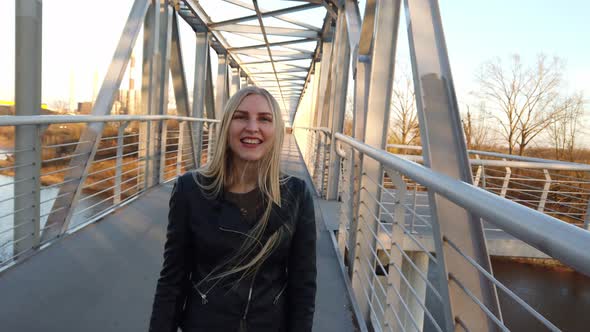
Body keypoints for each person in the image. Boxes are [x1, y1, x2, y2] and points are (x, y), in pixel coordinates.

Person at [148, 86, 317, 332]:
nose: (252, 127)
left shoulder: (296, 195)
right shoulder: (190, 191)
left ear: (277, 130)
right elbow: (172, 280)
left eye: (264, 119)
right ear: (226, 126)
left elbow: (303, 287)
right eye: (240, 117)